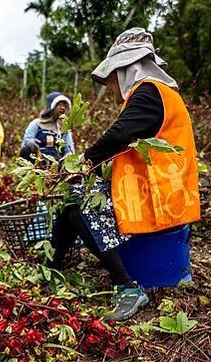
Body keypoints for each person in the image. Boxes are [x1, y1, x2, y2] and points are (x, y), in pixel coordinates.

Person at [50, 28, 200, 320]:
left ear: (127, 69)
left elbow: (120, 134)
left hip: (159, 194)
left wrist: (85, 161)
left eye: (112, 79)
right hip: (160, 189)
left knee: (79, 207)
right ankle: (52, 266)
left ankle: (128, 287)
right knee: (71, 206)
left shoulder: (148, 92)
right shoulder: (157, 93)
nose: (113, 88)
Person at [20, 92, 75, 162]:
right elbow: (25, 143)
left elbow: (69, 150)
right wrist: (31, 143)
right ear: (51, 106)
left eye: (65, 105)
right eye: (60, 104)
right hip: (36, 161)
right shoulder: (36, 124)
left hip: (55, 164)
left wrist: (66, 160)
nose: (63, 108)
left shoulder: (64, 129)